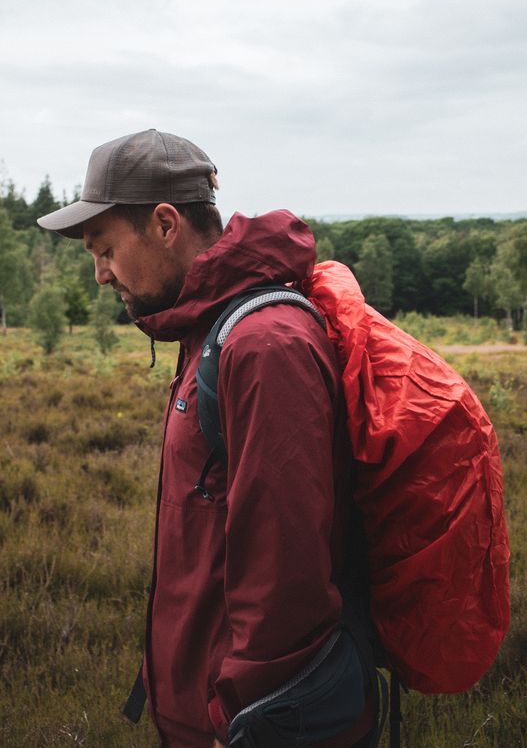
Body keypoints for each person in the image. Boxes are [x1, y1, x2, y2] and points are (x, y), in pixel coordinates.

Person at [38, 130, 375, 747]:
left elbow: (286, 579)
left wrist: (241, 722)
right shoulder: (208, 332)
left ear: (165, 224)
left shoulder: (263, 346)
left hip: (252, 727)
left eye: (105, 248)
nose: (99, 275)